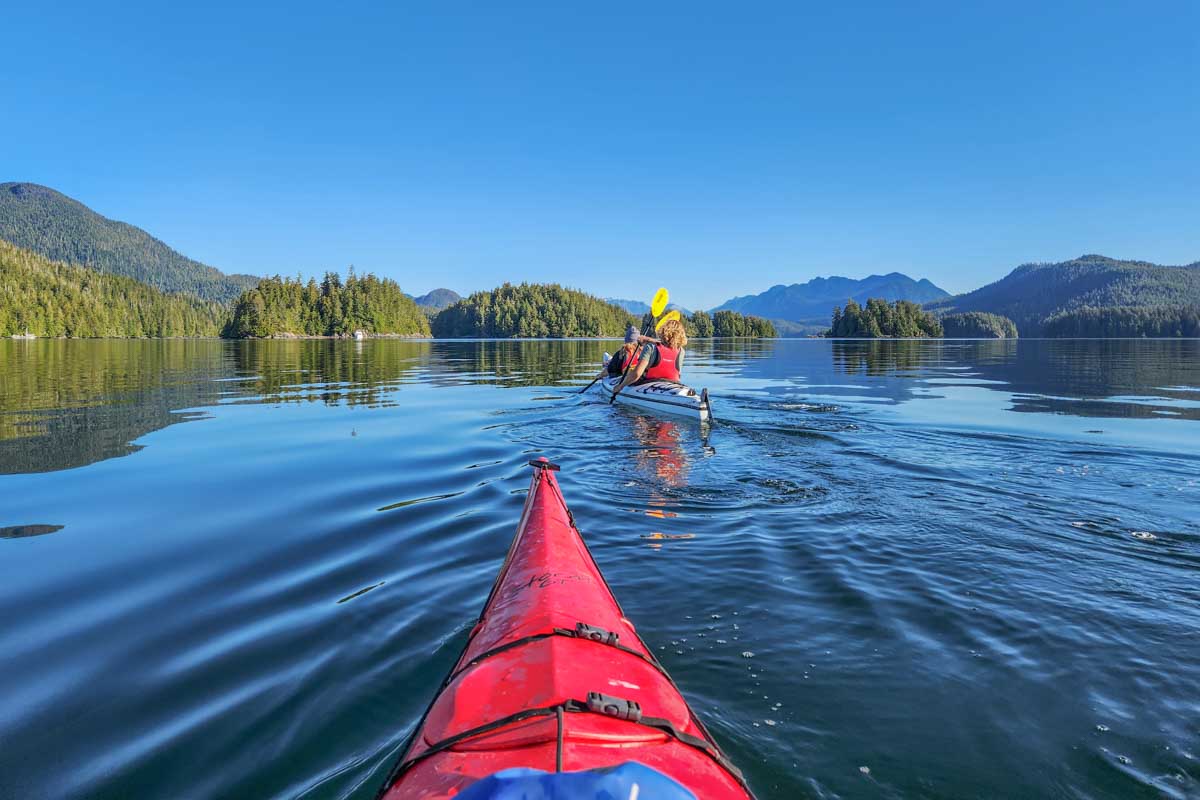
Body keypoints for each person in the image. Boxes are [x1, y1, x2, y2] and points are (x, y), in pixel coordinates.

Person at [610, 317, 688, 401]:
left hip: (649, 382)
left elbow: (636, 374)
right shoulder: (681, 351)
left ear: (663, 331)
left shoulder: (650, 348)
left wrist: (620, 386)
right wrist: (648, 339)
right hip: (673, 384)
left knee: (630, 372)